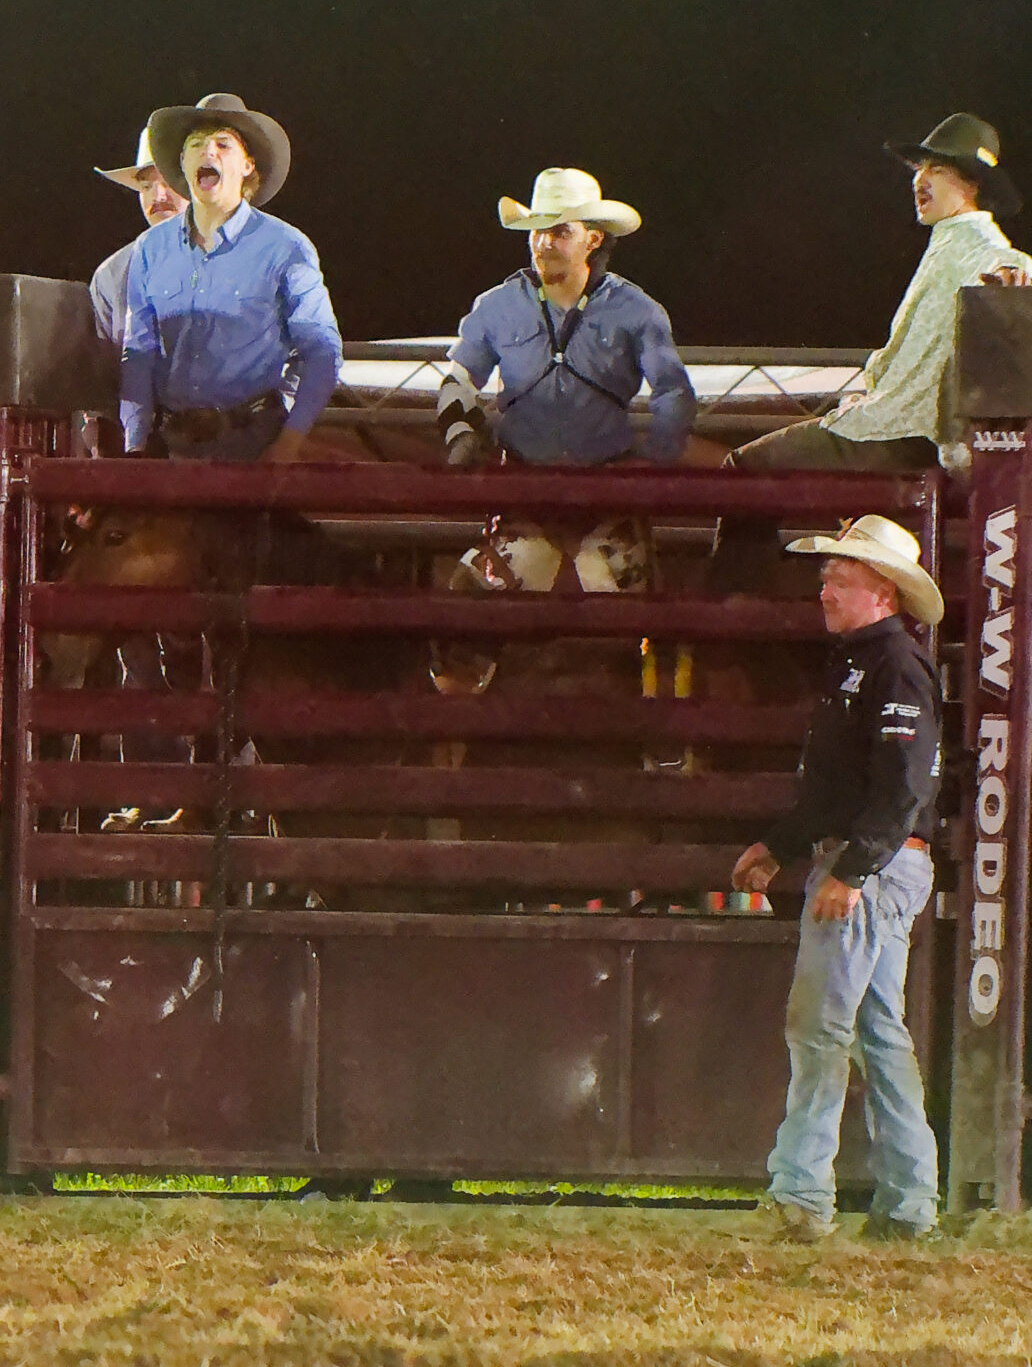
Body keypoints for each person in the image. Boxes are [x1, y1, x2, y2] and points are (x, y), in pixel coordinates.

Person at [730, 516, 945, 1243]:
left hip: (871, 865)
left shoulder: (891, 668)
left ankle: (800, 1193)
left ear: (881, 593)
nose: (826, 589)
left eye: (841, 579)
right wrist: (784, 844)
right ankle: (909, 1200)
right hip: (879, 860)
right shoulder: (873, 662)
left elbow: (902, 784)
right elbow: (868, 783)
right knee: (877, 1029)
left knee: (819, 1024)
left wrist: (851, 866)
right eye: (828, 577)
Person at [709, 114, 1029, 593]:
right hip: (901, 427)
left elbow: (1010, 267)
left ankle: (732, 614)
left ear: (970, 182)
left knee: (745, 469)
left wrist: (1016, 276)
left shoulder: (979, 247)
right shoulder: (951, 243)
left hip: (898, 431)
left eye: (935, 170)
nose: (919, 180)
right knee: (859, 555)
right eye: (918, 169)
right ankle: (761, 618)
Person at [434, 169, 694, 632]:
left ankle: (631, 700)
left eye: (560, 232)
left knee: (636, 631)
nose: (544, 243)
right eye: (538, 231)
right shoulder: (495, 306)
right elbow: (458, 378)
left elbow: (673, 391)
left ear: (593, 239)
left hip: (607, 493)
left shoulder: (636, 310)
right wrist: (461, 435)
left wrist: (654, 462)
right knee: (465, 625)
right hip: (524, 490)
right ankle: (461, 697)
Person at [118, 92, 342, 464]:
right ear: (182, 164)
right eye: (196, 145)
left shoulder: (286, 247)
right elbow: (138, 352)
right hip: (173, 441)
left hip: (252, 441)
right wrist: (137, 444)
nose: (209, 152)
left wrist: (289, 441)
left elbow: (322, 352)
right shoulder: (150, 249)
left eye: (223, 144)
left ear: (247, 165)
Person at [89, 126, 184, 344]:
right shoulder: (113, 274)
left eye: (168, 182)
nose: (158, 196)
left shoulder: (244, 254)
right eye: (146, 186)